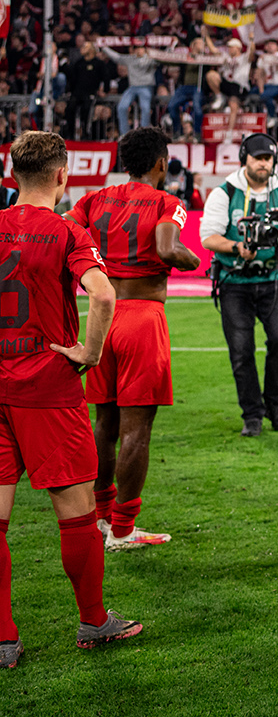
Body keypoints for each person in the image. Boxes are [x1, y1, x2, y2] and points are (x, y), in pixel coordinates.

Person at [0, 131, 145, 666]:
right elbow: (104, 294)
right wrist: (89, 351)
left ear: (13, 174)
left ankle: (4, 640)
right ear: (62, 176)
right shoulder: (67, 232)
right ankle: (92, 622)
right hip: (48, 387)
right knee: (77, 516)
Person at [65, 127, 200, 551]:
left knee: (103, 423)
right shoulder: (167, 201)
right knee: (136, 430)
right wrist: (192, 259)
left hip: (102, 316)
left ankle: (101, 518)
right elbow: (166, 248)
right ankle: (123, 528)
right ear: (162, 163)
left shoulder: (92, 200)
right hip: (143, 319)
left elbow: (66, 232)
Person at [200, 132, 278, 437]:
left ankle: (275, 405)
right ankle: (252, 414)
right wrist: (237, 248)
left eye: (268, 158)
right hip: (235, 281)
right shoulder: (225, 192)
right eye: (258, 157)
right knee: (241, 350)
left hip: (272, 280)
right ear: (244, 158)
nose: (263, 163)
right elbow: (208, 237)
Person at [98, 43, 160, 136]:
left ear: (145, 49)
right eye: (136, 48)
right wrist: (104, 48)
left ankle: (144, 134)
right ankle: (125, 134)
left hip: (146, 86)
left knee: (145, 108)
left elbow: (163, 58)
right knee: (122, 107)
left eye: (140, 48)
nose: (138, 50)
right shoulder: (130, 59)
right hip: (133, 87)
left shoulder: (150, 59)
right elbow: (117, 57)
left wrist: (171, 47)